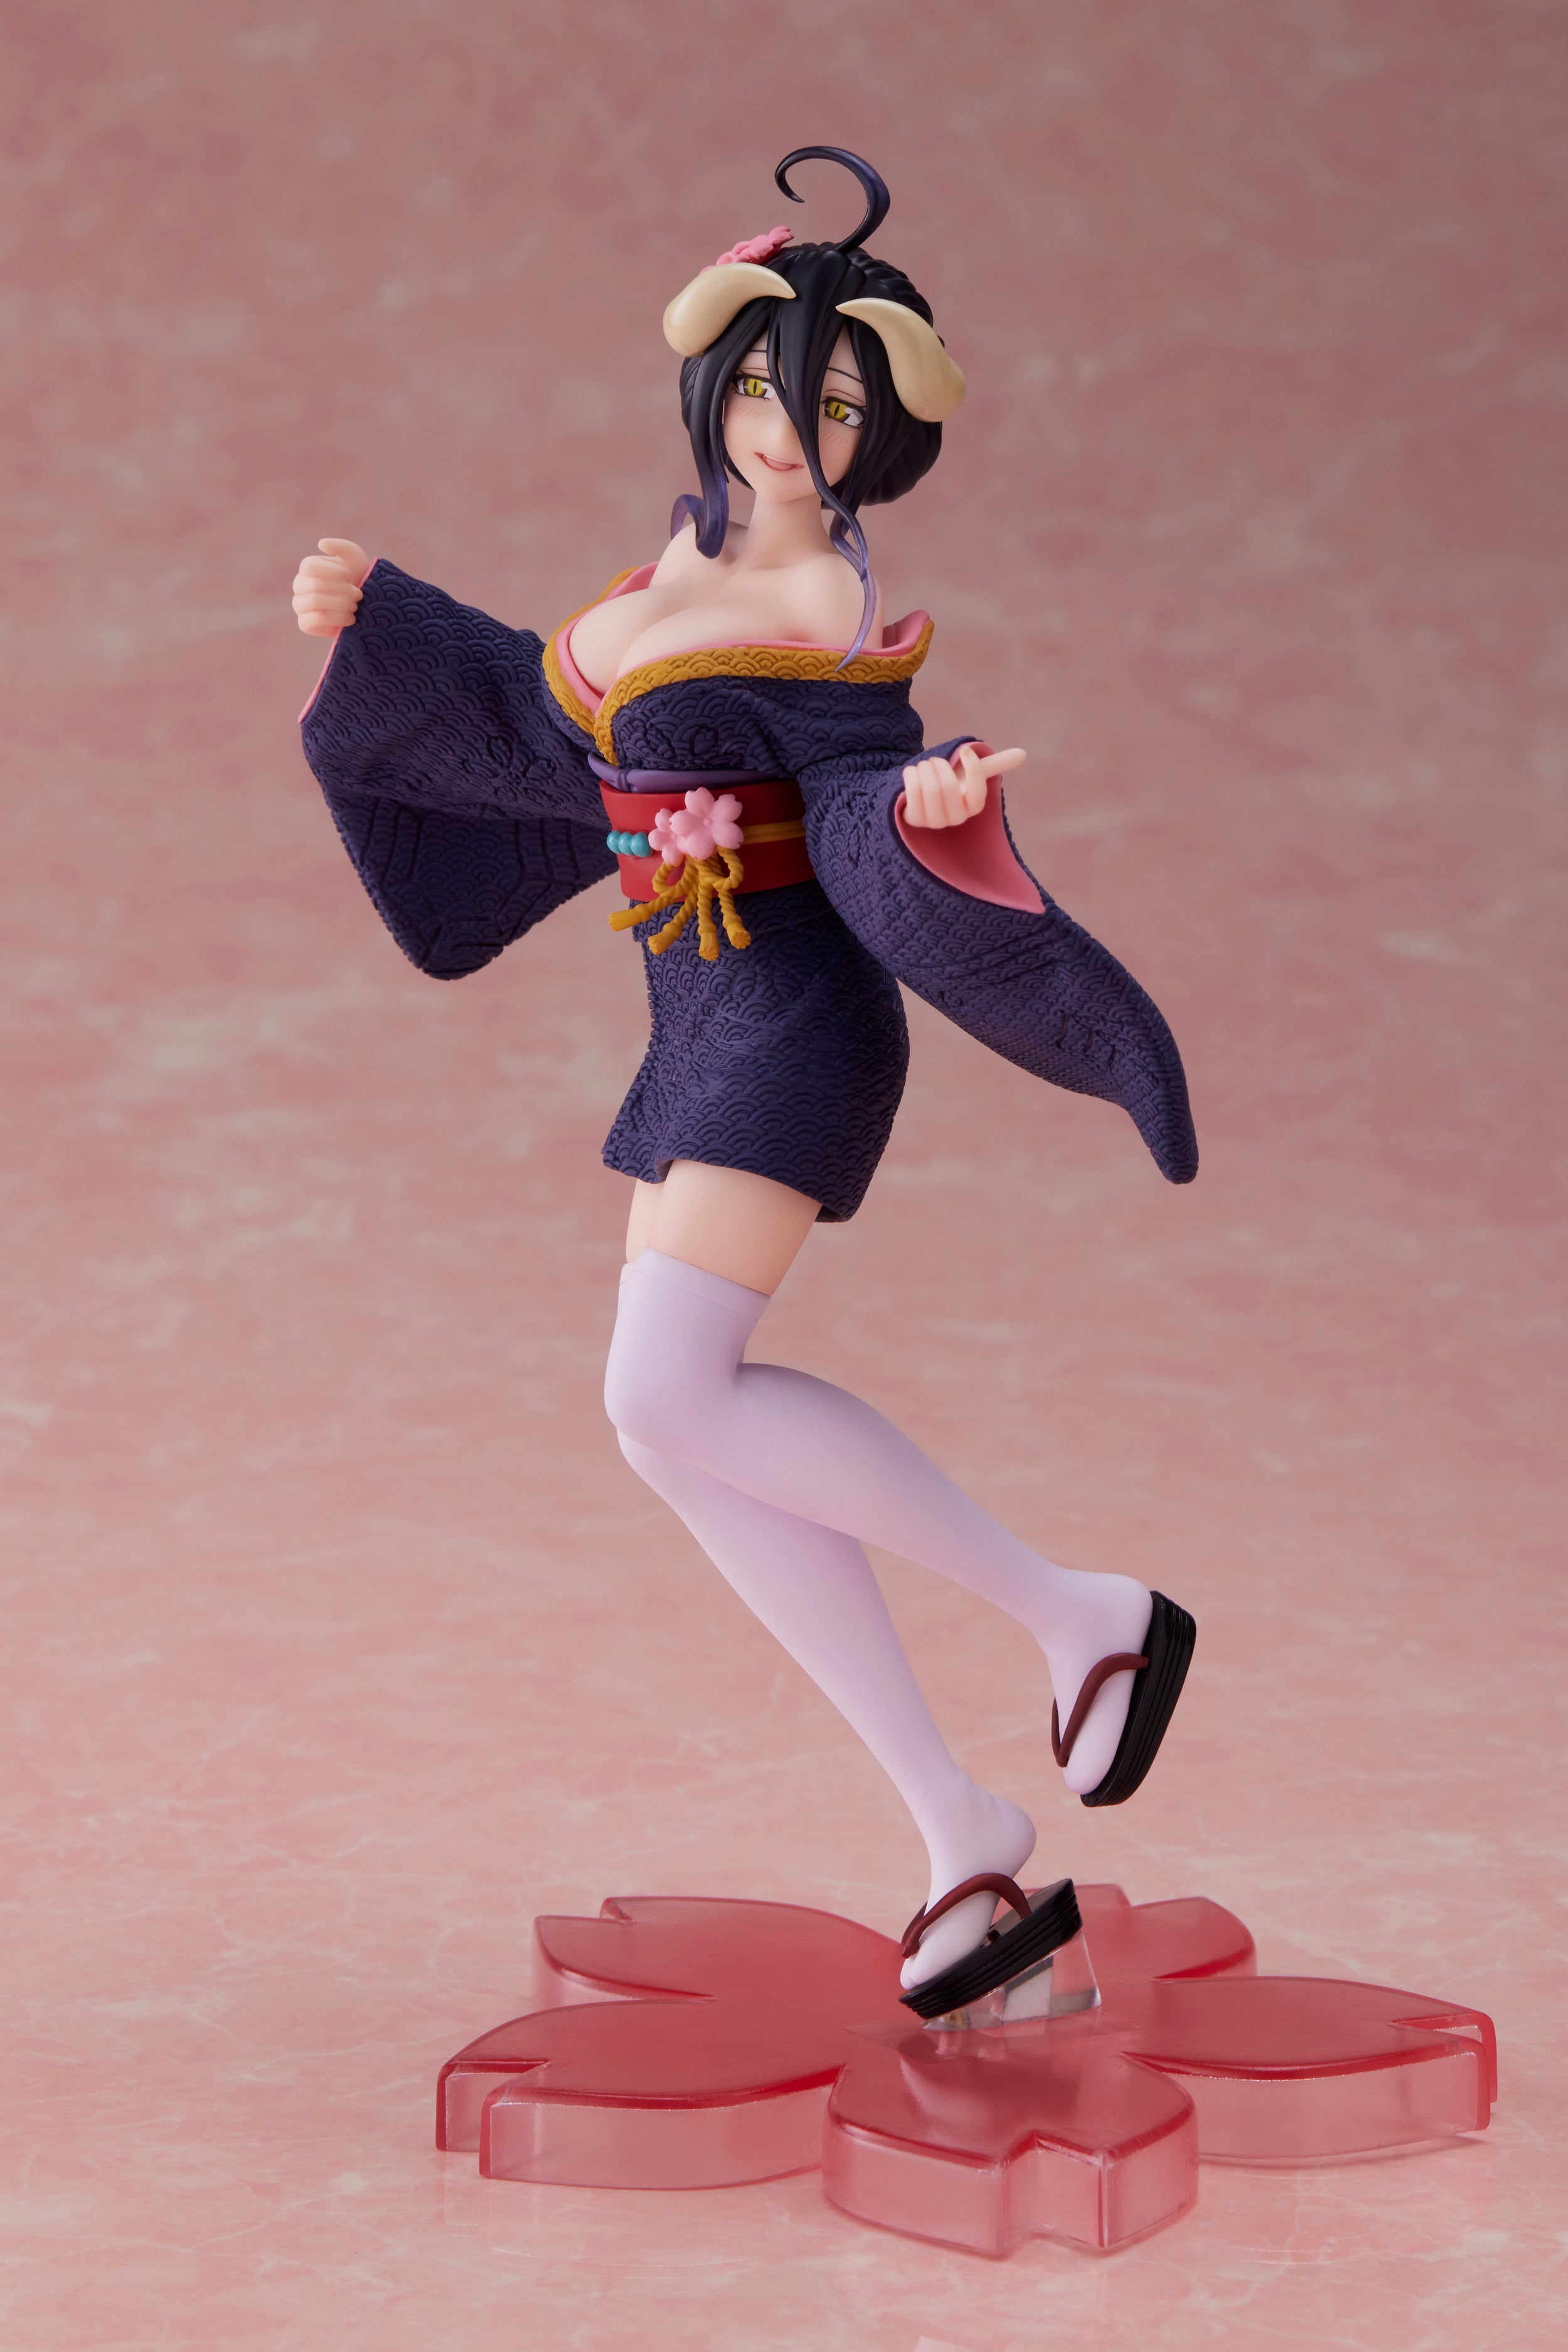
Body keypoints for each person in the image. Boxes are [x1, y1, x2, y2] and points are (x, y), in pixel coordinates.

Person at [291, 148, 1197, 2011]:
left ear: (885, 435)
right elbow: (552, 726)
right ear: (719, 386)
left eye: (841, 405)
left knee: (661, 1388)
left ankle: (1079, 1613)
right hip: (694, 1016)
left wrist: (924, 803)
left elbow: (848, 791)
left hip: (790, 1022)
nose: (798, 430)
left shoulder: (825, 602)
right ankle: (959, 1830)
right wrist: (390, 620)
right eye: (776, 390)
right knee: (665, 1429)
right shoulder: (687, 562)